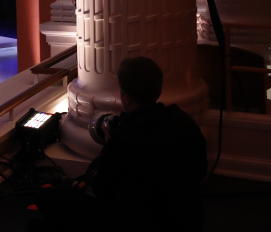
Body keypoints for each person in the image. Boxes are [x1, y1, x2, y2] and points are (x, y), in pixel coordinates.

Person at [85, 56, 207, 231]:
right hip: (188, 218)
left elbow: (102, 188)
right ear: (157, 91)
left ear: (125, 97)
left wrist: (110, 147)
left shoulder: (123, 139)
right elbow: (200, 170)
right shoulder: (183, 121)